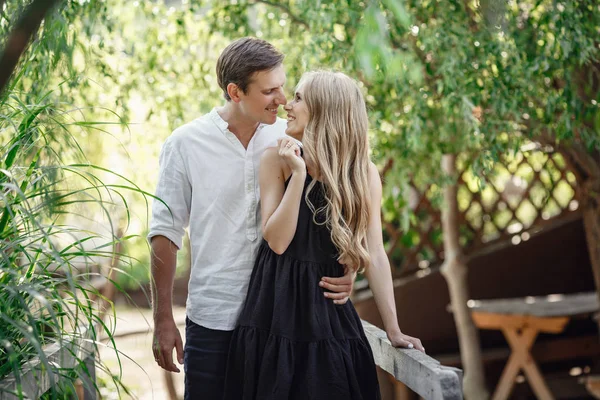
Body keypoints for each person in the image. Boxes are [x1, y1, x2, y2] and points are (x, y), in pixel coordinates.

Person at [147, 39, 355, 400]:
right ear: (235, 91)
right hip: (214, 317)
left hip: (278, 320)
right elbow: (164, 233)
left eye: (282, 86)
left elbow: (340, 200)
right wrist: (163, 318)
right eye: (269, 90)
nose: (282, 98)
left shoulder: (292, 136)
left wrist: (349, 266)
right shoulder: (185, 144)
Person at [223, 71, 425, 400]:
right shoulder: (277, 160)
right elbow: (277, 241)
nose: (288, 103)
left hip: (327, 318)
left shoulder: (362, 173)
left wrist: (393, 329)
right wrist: (300, 174)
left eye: (299, 98)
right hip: (273, 314)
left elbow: (374, 251)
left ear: (325, 110)